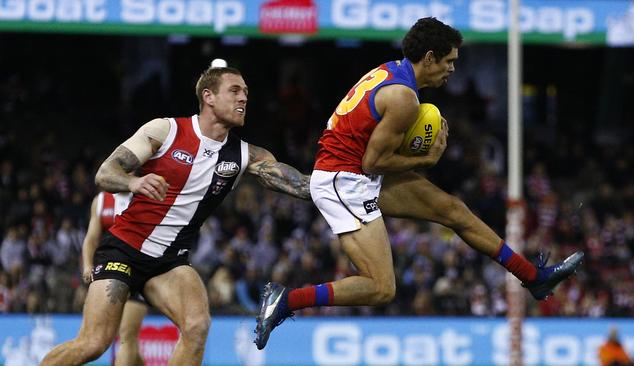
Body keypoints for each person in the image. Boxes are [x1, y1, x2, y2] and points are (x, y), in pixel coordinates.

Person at [254, 17, 584, 350]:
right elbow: (373, 161)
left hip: (356, 173)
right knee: (382, 288)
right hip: (346, 180)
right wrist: (426, 160)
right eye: (449, 60)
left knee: (452, 209)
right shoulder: (403, 99)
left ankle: (533, 277)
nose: (453, 69)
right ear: (429, 57)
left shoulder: (392, 72)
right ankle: (286, 300)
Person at [41, 63, 310, 366]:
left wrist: (349, 188)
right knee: (93, 344)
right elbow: (105, 174)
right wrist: (134, 181)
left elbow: (300, 184)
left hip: (169, 263)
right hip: (123, 252)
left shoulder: (245, 155)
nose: (243, 98)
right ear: (208, 96)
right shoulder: (165, 130)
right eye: (235, 91)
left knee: (197, 326)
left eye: (246, 92)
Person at [81, 191, 147, 366]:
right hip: (110, 273)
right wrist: (88, 265)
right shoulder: (102, 200)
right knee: (104, 338)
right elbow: (92, 238)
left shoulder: (145, 194)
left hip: (138, 272)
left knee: (127, 334)